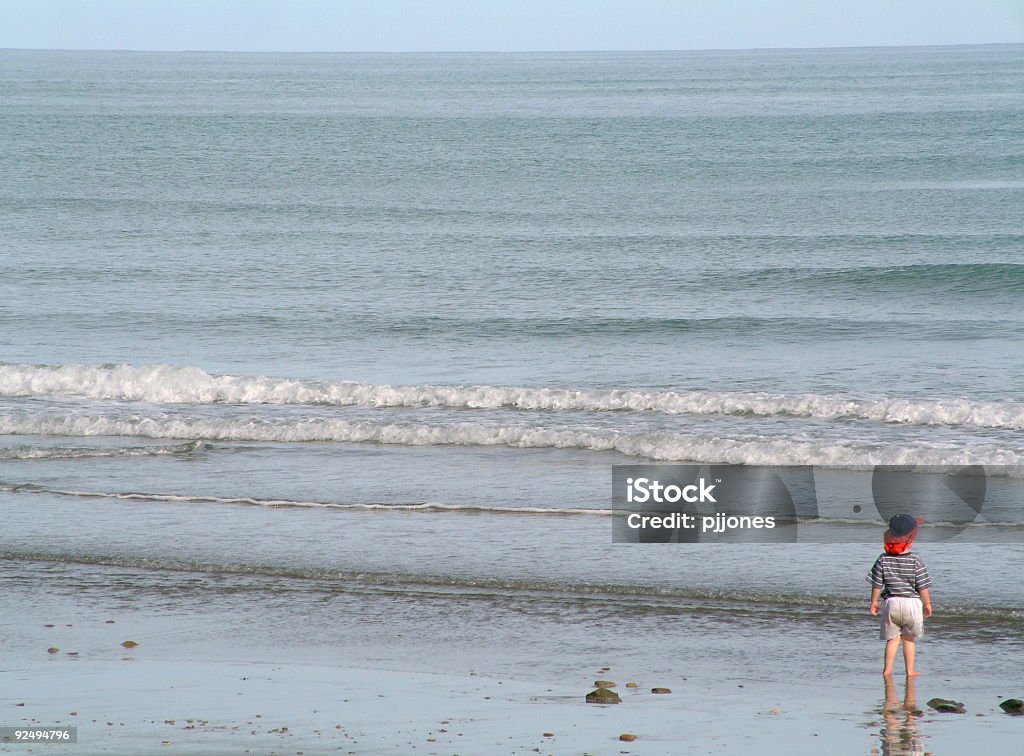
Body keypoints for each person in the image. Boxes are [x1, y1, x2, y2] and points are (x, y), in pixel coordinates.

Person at [867, 514, 932, 676]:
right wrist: (927, 603)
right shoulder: (915, 560)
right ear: (911, 538)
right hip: (912, 604)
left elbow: (876, 583)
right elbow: (922, 586)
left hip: (891, 603)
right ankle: (909, 671)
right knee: (909, 639)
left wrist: (874, 601)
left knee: (892, 639)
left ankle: (887, 670)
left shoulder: (883, 559)